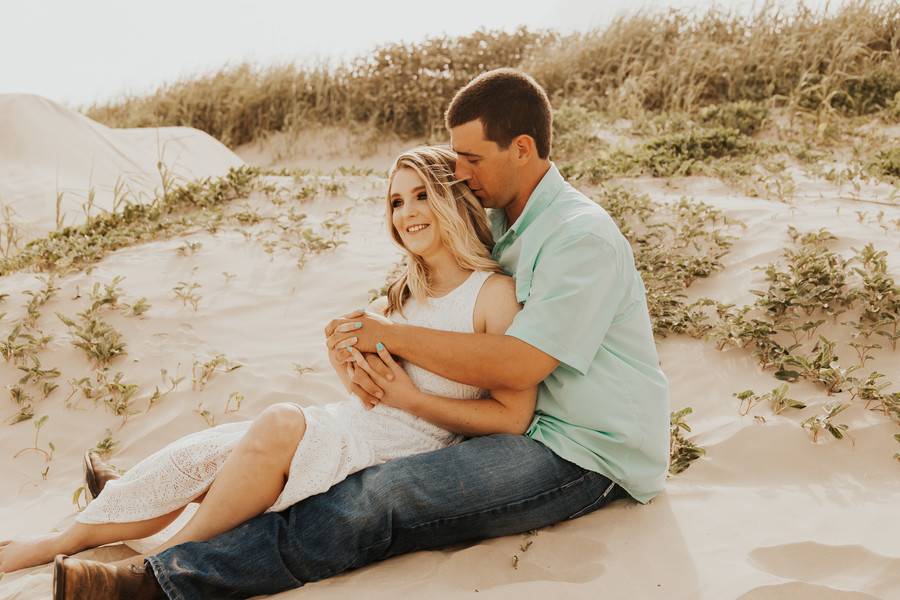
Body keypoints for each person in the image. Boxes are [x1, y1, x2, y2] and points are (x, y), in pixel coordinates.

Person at [52, 68, 668, 600]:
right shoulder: (507, 220)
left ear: (524, 150)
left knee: (380, 496)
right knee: (308, 442)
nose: (460, 171)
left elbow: (521, 364)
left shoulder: (577, 237)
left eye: (471, 159)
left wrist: (394, 345)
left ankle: (163, 580)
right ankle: (152, 494)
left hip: (585, 452)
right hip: (519, 423)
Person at [0, 146, 536, 582]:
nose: (407, 212)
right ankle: (55, 542)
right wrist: (344, 363)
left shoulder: (494, 296)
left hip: (399, 452)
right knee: (211, 453)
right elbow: (368, 397)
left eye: (422, 195)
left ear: (452, 199)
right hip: (354, 425)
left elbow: (510, 417)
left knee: (276, 425)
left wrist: (411, 400)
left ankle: (156, 564)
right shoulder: (399, 294)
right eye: (396, 202)